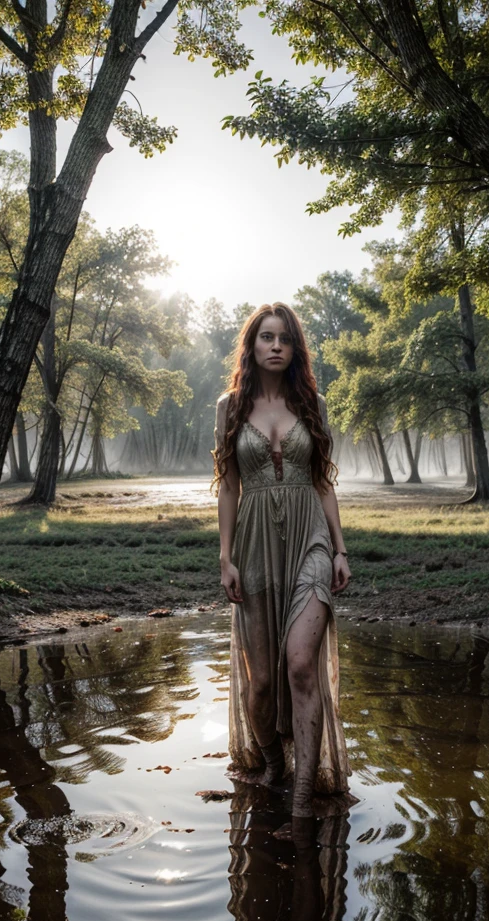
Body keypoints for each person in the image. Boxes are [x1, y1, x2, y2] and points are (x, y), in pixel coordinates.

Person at [212, 302, 354, 834]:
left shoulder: (311, 403)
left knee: (299, 664)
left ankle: (299, 802)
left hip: (310, 540)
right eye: (265, 337)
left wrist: (339, 549)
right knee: (263, 683)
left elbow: (323, 482)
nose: (275, 346)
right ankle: (272, 764)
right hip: (252, 547)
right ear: (251, 347)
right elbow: (228, 486)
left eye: (285, 339)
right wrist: (224, 557)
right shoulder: (229, 407)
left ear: (295, 349)